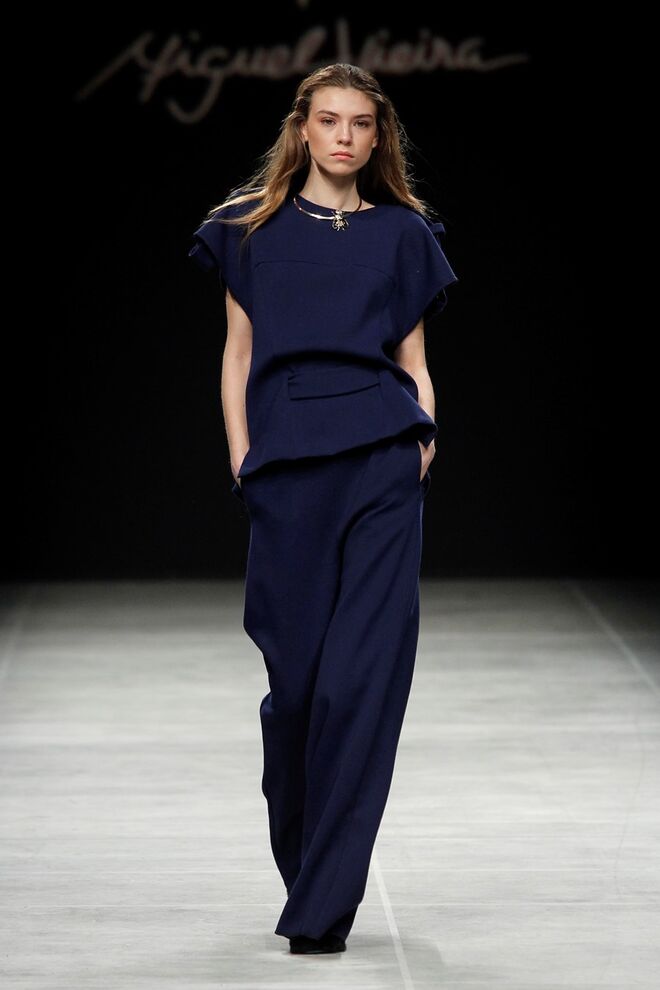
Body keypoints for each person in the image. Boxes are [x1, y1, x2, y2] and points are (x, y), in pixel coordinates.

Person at [188, 62, 459, 955]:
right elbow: (238, 353)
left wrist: (422, 437)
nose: (345, 136)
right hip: (288, 469)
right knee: (298, 692)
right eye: (330, 120)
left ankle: (322, 908)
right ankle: (309, 868)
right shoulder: (249, 229)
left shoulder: (402, 233)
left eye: (361, 124)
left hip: (382, 458)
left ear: (378, 137)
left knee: (360, 684)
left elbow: (414, 357)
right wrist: (242, 457)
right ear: (302, 128)